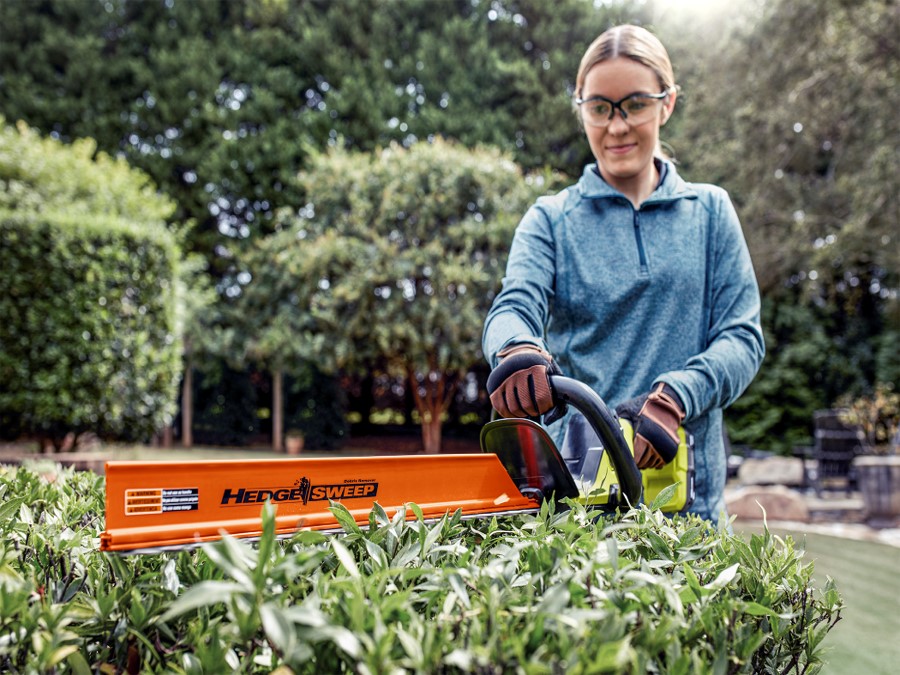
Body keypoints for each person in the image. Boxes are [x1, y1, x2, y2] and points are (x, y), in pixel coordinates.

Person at [482, 24, 765, 525]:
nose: (616, 127)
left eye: (634, 104)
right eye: (599, 108)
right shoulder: (550, 219)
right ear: (581, 108)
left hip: (690, 513)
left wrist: (678, 394)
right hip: (579, 509)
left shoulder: (710, 212)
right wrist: (514, 347)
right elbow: (515, 306)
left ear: (667, 102)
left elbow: (742, 339)